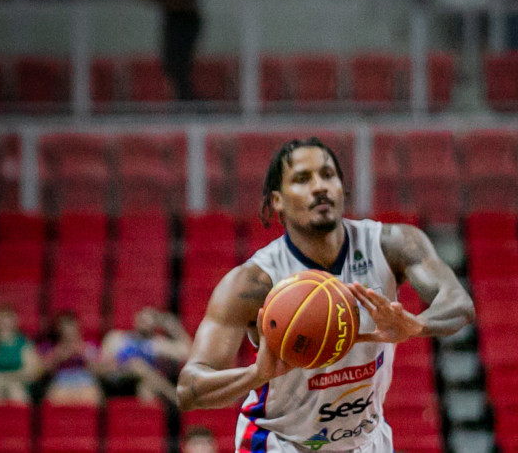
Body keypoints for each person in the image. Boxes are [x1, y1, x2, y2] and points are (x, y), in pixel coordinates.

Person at [177, 137, 475, 452]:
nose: (319, 187)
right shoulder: (253, 283)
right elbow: (188, 389)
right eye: (302, 179)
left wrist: (416, 325)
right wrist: (256, 374)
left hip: (366, 441)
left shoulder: (392, 244)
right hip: (282, 443)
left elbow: (459, 303)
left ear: (341, 187)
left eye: (328, 175)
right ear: (277, 200)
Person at [128, 0, 202, 101]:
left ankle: (186, 99)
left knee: (181, 63)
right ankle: (183, 99)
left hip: (188, 17)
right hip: (172, 17)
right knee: (170, 64)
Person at [100, 307, 192, 403]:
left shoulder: (157, 344)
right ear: (136, 318)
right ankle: (175, 397)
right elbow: (102, 364)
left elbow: (188, 354)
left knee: (146, 389)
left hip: (142, 379)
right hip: (116, 377)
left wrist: (172, 325)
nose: (145, 323)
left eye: (149, 319)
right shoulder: (116, 337)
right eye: (142, 319)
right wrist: (119, 366)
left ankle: (151, 411)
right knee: (136, 365)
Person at [40, 311, 103, 405]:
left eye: (71, 327)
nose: (69, 332)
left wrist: (84, 355)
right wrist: (59, 357)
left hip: (85, 381)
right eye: (65, 328)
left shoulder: (88, 347)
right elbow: (44, 369)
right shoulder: (53, 348)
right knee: (52, 400)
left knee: (91, 399)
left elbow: (99, 369)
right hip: (61, 381)